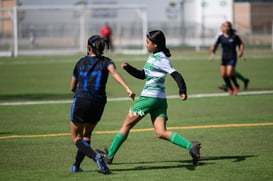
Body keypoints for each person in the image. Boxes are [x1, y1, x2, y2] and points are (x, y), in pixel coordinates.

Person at [99, 30, 201, 166]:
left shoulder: (161, 59)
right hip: (160, 101)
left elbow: (176, 75)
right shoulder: (154, 56)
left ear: (156, 45)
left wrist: (182, 90)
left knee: (126, 125)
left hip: (148, 99)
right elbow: (143, 75)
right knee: (161, 132)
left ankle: (109, 156)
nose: (146, 44)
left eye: (148, 42)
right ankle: (190, 146)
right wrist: (128, 68)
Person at [70, 35, 135, 175]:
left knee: (76, 138)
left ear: (88, 48)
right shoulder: (107, 62)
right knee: (86, 135)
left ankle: (96, 157)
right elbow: (114, 73)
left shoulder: (80, 62)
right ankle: (76, 166)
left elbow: (72, 87)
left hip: (81, 100)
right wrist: (127, 88)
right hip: (98, 103)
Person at [210, 21, 246, 95]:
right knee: (223, 74)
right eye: (224, 26)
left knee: (229, 73)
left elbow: (241, 44)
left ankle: (236, 86)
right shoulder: (221, 37)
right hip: (224, 58)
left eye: (227, 26)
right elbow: (215, 45)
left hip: (232, 57)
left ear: (230, 27)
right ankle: (231, 88)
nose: (226, 28)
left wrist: (241, 52)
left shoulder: (234, 36)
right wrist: (213, 53)